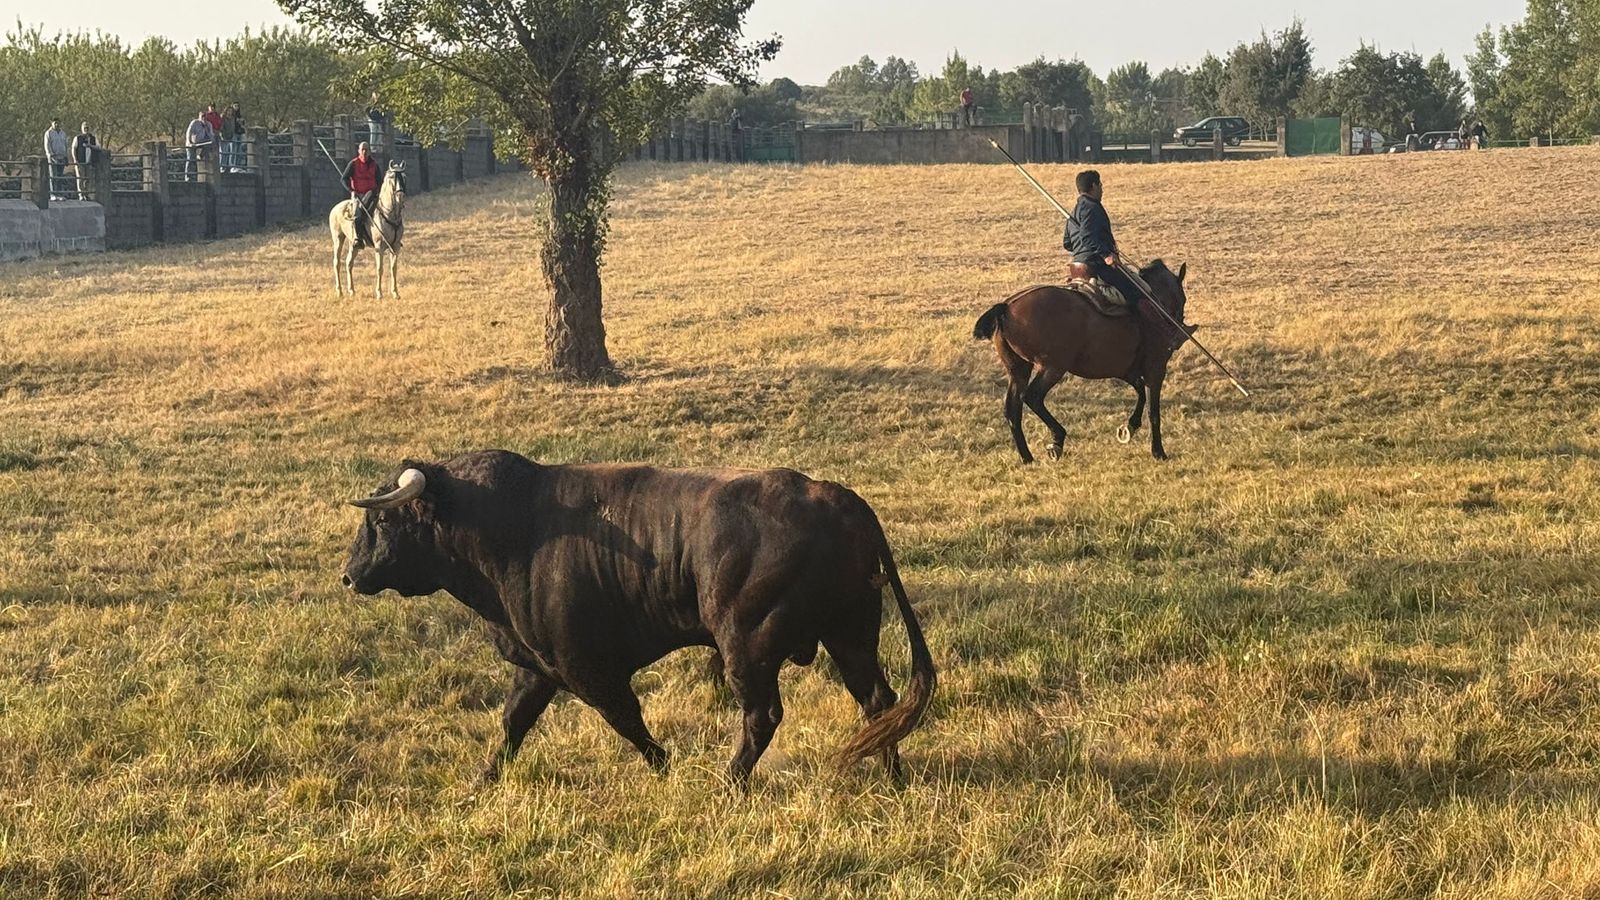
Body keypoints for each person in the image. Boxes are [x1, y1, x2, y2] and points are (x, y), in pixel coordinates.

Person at [1064, 169, 1142, 312]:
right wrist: (1106, 254)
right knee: (1136, 293)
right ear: (1094, 186)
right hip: (1096, 265)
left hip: (1077, 267)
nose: (1102, 189)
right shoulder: (1092, 207)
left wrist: (1082, 249)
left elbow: (1068, 243)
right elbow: (1087, 237)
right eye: (1100, 185)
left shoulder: (1073, 213)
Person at [341, 141, 381, 246]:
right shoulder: (353, 164)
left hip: (372, 195)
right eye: (362, 149)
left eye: (366, 149)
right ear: (359, 151)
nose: (364, 152)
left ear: (370, 151)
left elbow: (379, 181)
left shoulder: (375, 165)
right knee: (357, 214)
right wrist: (351, 191)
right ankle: (358, 238)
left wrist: (378, 191)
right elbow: (344, 179)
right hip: (358, 196)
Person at [70, 122, 97, 200]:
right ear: (82, 129)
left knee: (88, 179)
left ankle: (87, 194)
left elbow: (98, 147)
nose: (86, 129)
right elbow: (73, 148)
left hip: (89, 162)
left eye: (87, 128)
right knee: (80, 178)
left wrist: (90, 146)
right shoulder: (78, 138)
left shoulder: (93, 138)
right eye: (85, 128)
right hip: (80, 161)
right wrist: (75, 159)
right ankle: (81, 195)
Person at [185, 111, 215, 182]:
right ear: (199, 117)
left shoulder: (208, 124)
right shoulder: (194, 123)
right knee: (190, 159)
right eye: (202, 116)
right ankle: (188, 177)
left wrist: (207, 130)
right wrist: (189, 142)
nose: (204, 118)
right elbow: (189, 132)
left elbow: (211, 135)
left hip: (202, 142)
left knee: (209, 145)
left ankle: (200, 155)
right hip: (193, 143)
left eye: (205, 116)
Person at [44, 120, 69, 200]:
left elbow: (66, 145)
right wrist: (50, 155)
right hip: (53, 158)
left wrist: (66, 156)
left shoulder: (63, 133)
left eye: (58, 123)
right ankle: (53, 194)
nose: (57, 124)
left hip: (62, 158)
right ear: (52, 123)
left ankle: (59, 194)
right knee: (53, 176)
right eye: (55, 123)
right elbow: (47, 145)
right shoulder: (49, 133)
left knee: (60, 177)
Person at [221, 103, 245, 172]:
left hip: (232, 135)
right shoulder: (223, 117)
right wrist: (222, 135)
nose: (230, 112)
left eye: (231, 111)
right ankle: (222, 167)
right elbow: (221, 127)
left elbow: (236, 125)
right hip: (224, 136)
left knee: (233, 151)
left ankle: (232, 166)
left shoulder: (233, 118)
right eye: (228, 111)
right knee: (224, 152)